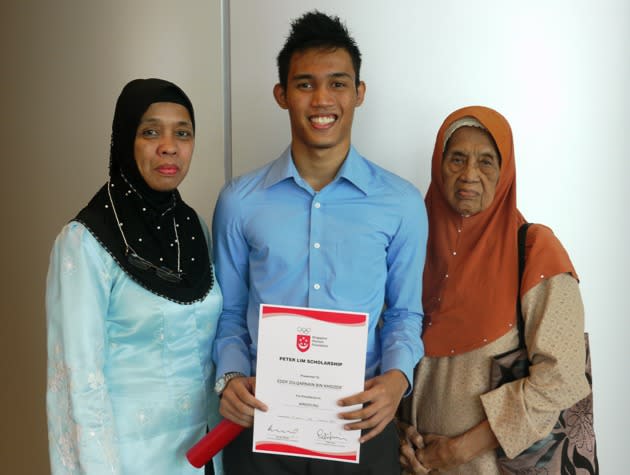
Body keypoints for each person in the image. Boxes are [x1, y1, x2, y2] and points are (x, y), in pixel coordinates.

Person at [211, 10, 428, 475]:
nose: (322, 99)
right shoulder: (239, 202)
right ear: (282, 95)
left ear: (359, 93)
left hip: (360, 427)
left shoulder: (402, 204)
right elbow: (229, 312)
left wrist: (396, 381)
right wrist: (229, 377)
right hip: (261, 426)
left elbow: (406, 313)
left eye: (338, 83)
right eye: (305, 84)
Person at [398, 106, 591, 474]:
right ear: (438, 167)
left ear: (504, 174)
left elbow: (562, 377)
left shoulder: (535, 250)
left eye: (486, 161)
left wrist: (457, 451)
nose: (469, 174)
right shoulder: (409, 245)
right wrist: (398, 434)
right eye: (456, 159)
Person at [46, 78, 223, 474]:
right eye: (150, 132)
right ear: (125, 138)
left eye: (183, 133)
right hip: (129, 460)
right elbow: (79, 382)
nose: (169, 146)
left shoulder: (194, 228)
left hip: (204, 456)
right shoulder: (86, 241)